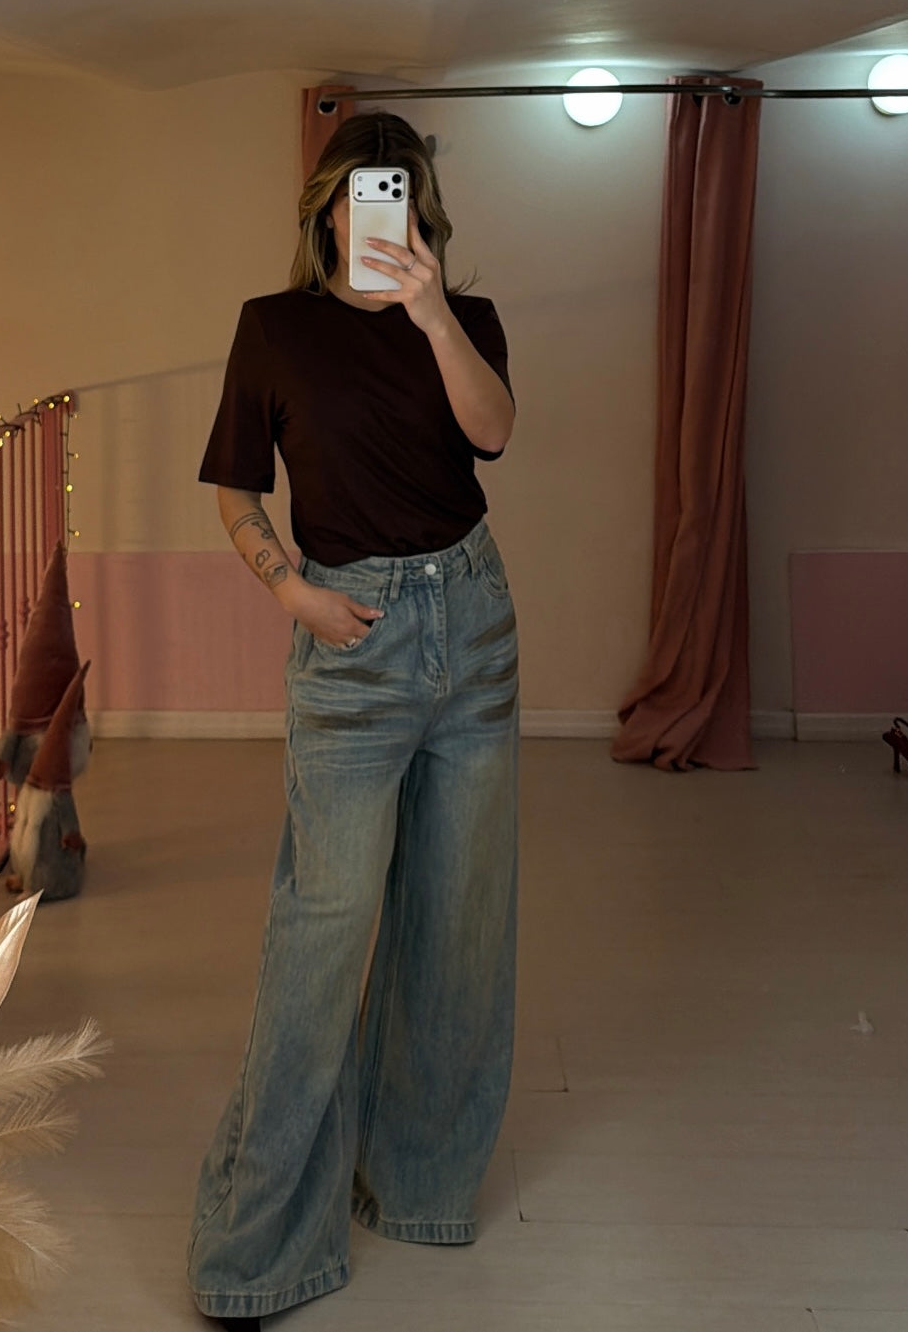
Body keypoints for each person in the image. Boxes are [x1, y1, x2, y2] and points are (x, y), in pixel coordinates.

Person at [188, 111, 519, 1331]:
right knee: (320, 934)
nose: (382, 209)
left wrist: (430, 313)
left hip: (471, 627)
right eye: (361, 190)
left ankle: (419, 1185)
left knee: (456, 925)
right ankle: (258, 1247)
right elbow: (235, 485)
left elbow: (492, 432)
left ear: (420, 208)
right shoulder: (272, 328)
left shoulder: (463, 319)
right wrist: (287, 588)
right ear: (327, 207)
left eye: (402, 190)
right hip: (350, 639)